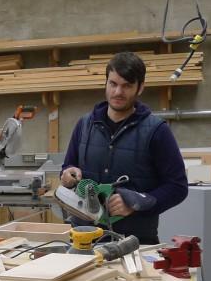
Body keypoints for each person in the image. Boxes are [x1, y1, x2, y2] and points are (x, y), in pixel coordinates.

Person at [60, 51, 188, 245]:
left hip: (135, 242)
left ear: (140, 88)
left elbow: (178, 187)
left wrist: (137, 204)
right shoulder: (85, 125)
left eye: (127, 86)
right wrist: (68, 174)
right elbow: (68, 166)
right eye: (113, 84)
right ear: (106, 83)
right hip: (84, 238)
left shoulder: (156, 131)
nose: (118, 92)